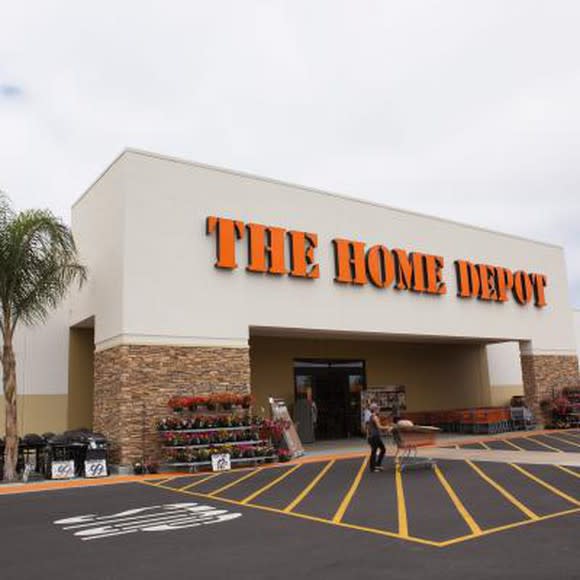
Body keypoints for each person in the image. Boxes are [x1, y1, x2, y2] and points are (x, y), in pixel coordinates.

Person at [366, 403, 389, 472]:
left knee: (383, 449)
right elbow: (379, 427)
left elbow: (373, 427)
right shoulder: (374, 417)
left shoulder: (373, 416)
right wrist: (388, 427)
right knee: (374, 451)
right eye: (378, 408)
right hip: (374, 437)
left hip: (374, 436)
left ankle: (377, 465)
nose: (379, 409)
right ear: (375, 409)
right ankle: (372, 468)